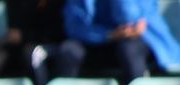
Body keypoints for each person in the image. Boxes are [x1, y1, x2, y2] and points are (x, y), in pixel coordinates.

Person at [50, 0, 180, 79]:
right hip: (98, 40)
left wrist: (122, 32)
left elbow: (128, 19)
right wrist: (109, 34)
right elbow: (74, 27)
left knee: (128, 49)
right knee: (68, 51)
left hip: (143, 40)